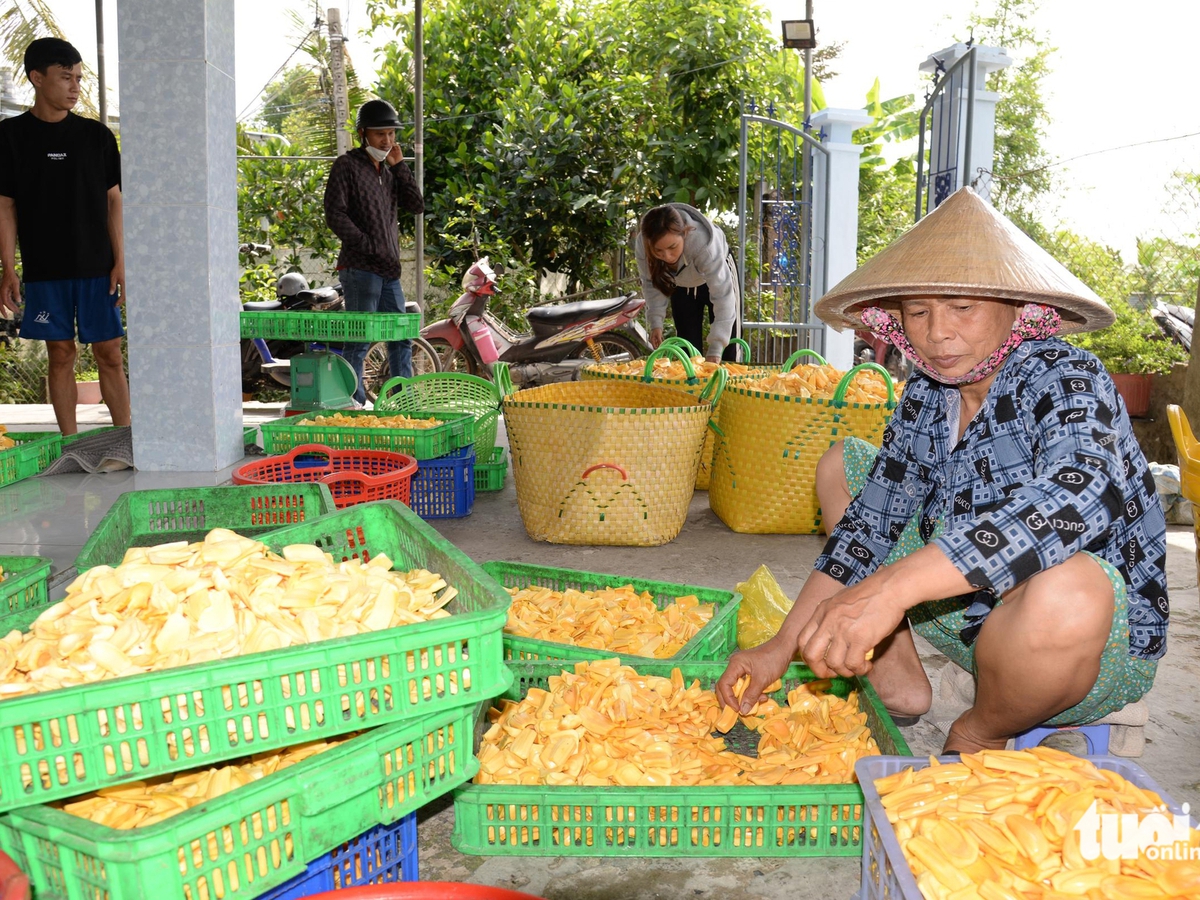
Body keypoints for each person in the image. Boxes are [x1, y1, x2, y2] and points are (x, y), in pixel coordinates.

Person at [716, 187, 1168, 756]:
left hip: (1083, 642)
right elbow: (868, 527)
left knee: (1068, 588)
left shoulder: (1065, 375)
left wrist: (891, 589)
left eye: (962, 307)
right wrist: (781, 646)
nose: (937, 334)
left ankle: (982, 727)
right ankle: (898, 677)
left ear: (1018, 308)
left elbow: (1083, 493)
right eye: (919, 312)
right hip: (971, 622)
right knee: (844, 466)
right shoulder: (928, 394)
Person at [0, 37, 129, 436]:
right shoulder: (10, 136)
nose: (75, 87)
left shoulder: (96, 136)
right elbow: (5, 207)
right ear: (37, 78)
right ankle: (70, 445)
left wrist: (121, 261)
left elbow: (114, 201)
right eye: (65, 77)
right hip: (45, 271)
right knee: (60, 354)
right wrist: (9, 269)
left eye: (78, 78)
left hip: (98, 268)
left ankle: (124, 440)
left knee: (109, 353)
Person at [323, 98, 424, 405]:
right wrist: (367, 246)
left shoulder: (390, 172)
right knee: (359, 338)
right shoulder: (346, 166)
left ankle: (401, 401)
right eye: (380, 134)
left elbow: (416, 205)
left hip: (389, 271)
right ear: (363, 133)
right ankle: (353, 404)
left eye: (391, 134)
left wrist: (400, 165)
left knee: (400, 337)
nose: (387, 140)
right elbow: (334, 214)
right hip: (360, 268)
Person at [635, 203, 740, 363]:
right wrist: (656, 323)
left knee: (727, 351)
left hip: (716, 275)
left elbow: (723, 297)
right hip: (681, 282)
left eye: (672, 247)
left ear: (685, 233)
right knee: (688, 349)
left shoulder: (704, 245)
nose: (667, 256)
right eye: (659, 251)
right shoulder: (643, 245)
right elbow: (651, 282)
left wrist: (716, 347)